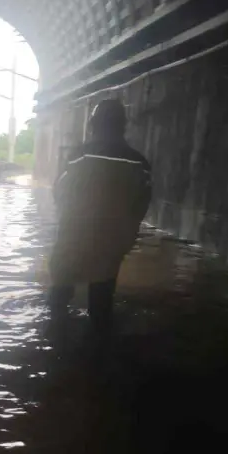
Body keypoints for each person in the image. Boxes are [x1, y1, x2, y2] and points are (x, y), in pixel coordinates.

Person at [47, 99, 151, 333]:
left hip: (74, 234)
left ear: (93, 124)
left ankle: (55, 347)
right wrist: (127, 232)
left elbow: (59, 191)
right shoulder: (139, 162)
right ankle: (99, 350)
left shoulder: (79, 156)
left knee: (59, 295)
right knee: (102, 299)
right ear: (123, 125)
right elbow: (142, 203)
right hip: (113, 239)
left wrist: (69, 218)